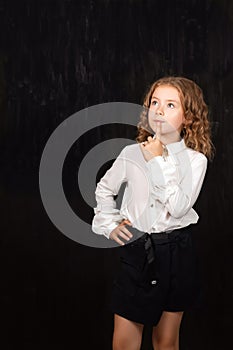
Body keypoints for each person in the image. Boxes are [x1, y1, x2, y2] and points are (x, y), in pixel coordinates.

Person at [92, 76, 215, 350]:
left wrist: (158, 161)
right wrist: (108, 223)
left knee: (166, 342)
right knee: (124, 343)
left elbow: (179, 206)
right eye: (154, 102)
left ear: (188, 117)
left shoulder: (196, 161)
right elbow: (104, 189)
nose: (159, 110)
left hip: (177, 251)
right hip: (138, 249)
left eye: (171, 105)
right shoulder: (131, 153)